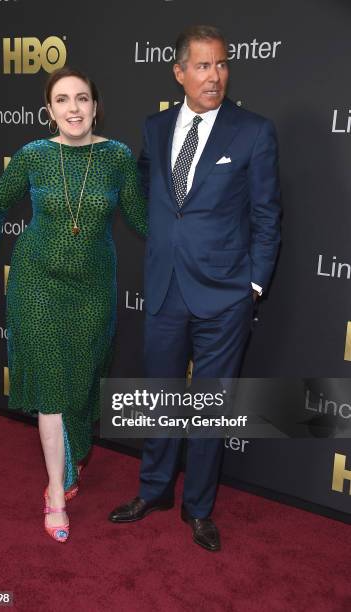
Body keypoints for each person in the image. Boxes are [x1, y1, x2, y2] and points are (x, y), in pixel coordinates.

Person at [109, 25, 281, 552]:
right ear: (179, 72)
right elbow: (145, 187)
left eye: (223, 65)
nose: (216, 76)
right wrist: (162, 235)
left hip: (225, 295)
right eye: (203, 66)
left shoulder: (253, 131)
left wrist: (252, 285)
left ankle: (199, 508)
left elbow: (267, 214)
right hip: (164, 288)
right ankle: (154, 490)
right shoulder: (156, 127)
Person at [0, 66, 147, 543]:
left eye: (83, 99)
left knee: (81, 382)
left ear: (96, 105)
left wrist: (199, 249)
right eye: (63, 100)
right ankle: (55, 490)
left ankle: (71, 462)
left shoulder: (115, 158)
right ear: (49, 110)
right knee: (51, 384)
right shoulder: (33, 156)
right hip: (37, 286)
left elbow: (143, 219)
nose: (74, 108)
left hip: (93, 291)